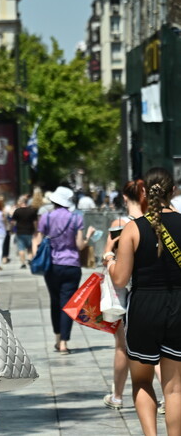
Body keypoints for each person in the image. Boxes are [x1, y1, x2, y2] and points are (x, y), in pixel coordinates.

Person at [104, 167, 181, 436]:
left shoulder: (133, 229)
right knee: (175, 387)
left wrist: (110, 260)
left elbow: (121, 280)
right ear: (174, 191)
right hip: (179, 307)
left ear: (145, 193)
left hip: (144, 308)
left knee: (141, 381)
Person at [32, 186, 95, 354]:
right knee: (68, 304)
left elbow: (38, 238)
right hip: (71, 265)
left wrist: (34, 254)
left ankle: (57, 338)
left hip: (51, 265)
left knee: (55, 302)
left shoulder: (46, 217)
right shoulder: (76, 219)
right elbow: (80, 245)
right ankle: (64, 344)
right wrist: (89, 236)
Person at [102, 179, 147, 410]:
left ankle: (117, 396)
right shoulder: (153, 222)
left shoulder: (120, 224)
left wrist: (109, 257)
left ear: (125, 197)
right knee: (155, 346)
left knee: (122, 345)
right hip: (149, 290)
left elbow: (107, 253)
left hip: (124, 291)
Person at [11, 195, 37, 269]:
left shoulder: (17, 211)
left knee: (21, 248)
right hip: (29, 231)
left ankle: (23, 263)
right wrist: (36, 230)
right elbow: (35, 222)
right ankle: (29, 259)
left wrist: (12, 229)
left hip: (20, 232)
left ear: (21, 202)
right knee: (29, 247)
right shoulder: (31, 211)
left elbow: (13, 222)